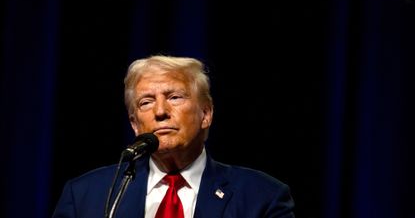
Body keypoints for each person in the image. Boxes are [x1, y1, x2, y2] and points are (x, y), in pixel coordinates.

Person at [52, 55, 295, 218]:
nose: (160, 112)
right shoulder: (85, 195)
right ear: (135, 124)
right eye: (146, 102)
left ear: (206, 113)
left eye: (174, 97)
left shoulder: (262, 197)